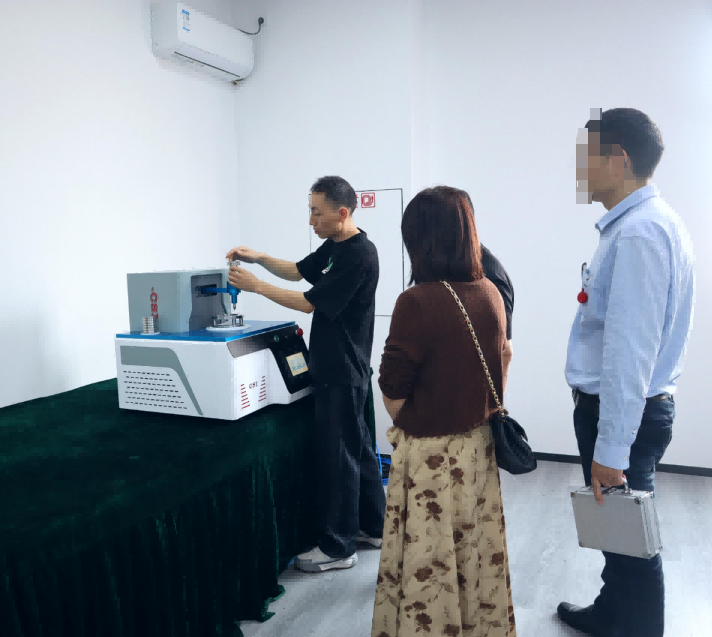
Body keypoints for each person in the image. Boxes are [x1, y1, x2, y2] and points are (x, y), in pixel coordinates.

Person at [559, 108, 694, 637]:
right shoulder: (643, 224)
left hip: (622, 415)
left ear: (617, 159)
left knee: (634, 545)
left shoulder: (639, 233)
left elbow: (630, 353)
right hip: (629, 409)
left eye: (586, 157)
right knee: (617, 534)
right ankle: (611, 613)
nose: (579, 169)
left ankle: (635, 626)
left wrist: (611, 449)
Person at [373, 186, 517, 636]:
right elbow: (505, 357)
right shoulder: (490, 292)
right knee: (475, 554)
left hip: (430, 459)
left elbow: (393, 387)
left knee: (428, 567)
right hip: (478, 450)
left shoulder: (416, 301)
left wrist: (411, 420)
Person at [226, 175, 386, 574]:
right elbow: (298, 272)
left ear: (342, 212)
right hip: (337, 368)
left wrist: (256, 287)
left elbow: (308, 303)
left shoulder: (358, 254)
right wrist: (259, 258)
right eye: (310, 210)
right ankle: (374, 526)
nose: (311, 220)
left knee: (339, 459)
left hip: (341, 370)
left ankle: (338, 546)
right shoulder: (335, 246)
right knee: (359, 449)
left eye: (317, 212)